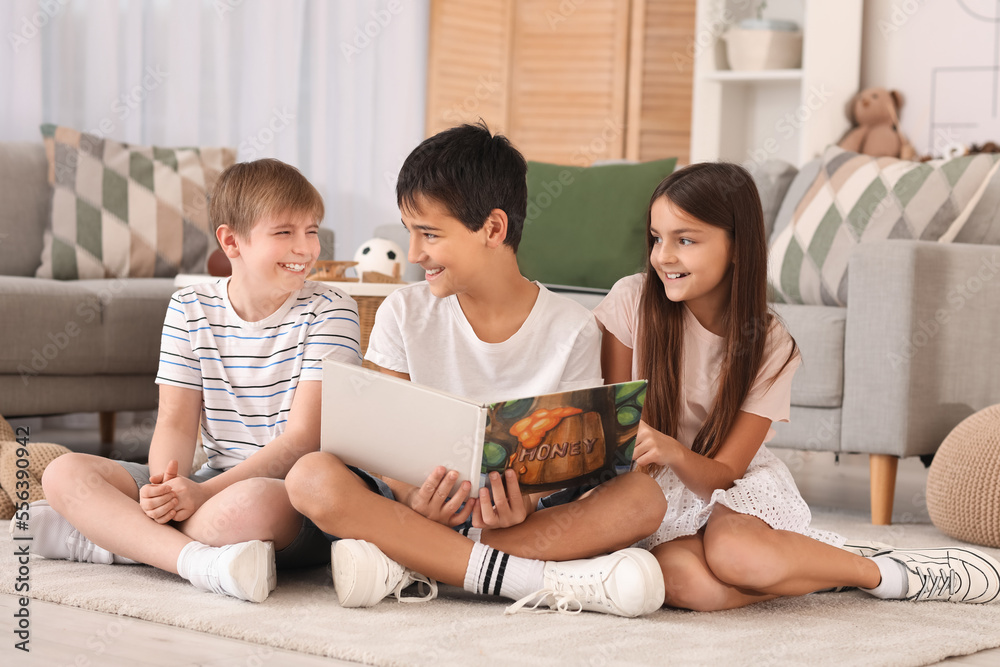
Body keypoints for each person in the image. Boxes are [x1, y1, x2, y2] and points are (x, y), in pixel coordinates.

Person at [284, 122, 667, 617]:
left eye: (430, 234)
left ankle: (412, 563)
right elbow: (376, 436)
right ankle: (529, 578)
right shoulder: (404, 312)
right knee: (310, 477)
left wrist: (526, 503)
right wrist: (410, 494)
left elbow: (574, 457)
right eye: (409, 232)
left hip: (522, 518)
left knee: (643, 498)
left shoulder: (572, 328)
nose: (415, 252)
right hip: (418, 507)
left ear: (493, 229)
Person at [593, 161, 1000, 610]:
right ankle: (812, 567)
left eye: (684, 239)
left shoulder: (769, 343)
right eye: (656, 238)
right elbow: (617, 432)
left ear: (737, 248)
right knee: (682, 583)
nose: (662, 256)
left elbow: (725, 473)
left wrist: (672, 449)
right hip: (652, 488)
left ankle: (889, 572)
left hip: (727, 484)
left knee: (736, 556)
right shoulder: (631, 302)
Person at [21, 159, 362, 602]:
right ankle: (198, 561)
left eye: (312, 230)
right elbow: (176, 423)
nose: (306, 248)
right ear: (231, 240)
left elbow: (302, 442)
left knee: (251, 504)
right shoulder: (189, 306)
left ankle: (114, 541)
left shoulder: (332, 309)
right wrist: (166, 490)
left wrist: (199, 495)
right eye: (285, 232)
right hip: (206, 481)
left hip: (286, 493)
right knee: (64, 473)